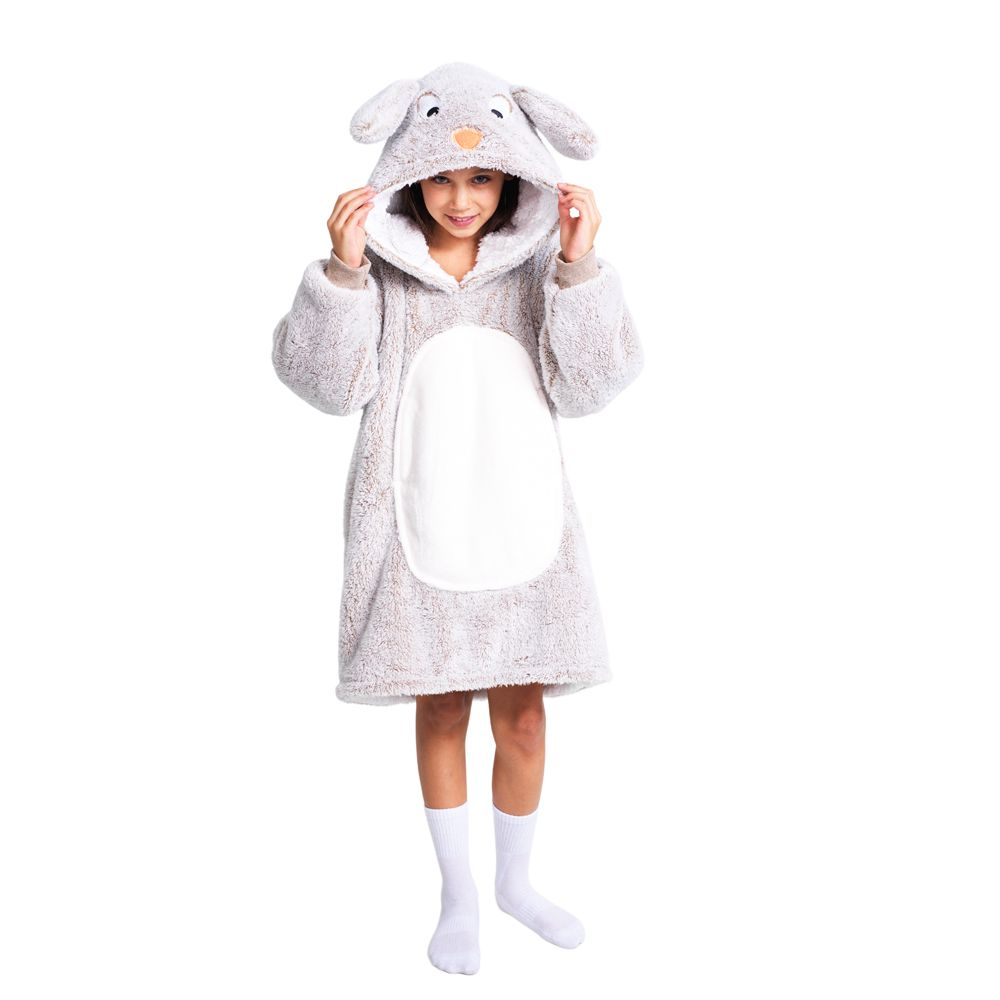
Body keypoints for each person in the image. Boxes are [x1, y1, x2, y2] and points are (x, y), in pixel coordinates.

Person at [271, 62, 645, 975]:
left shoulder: (535, 271)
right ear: (408, 174)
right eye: (440, 176)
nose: (461, 198)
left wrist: (579, 266)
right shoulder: (387, 275)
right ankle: (459, 894)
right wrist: (343, 273)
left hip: (524, 527)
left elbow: (591, 384)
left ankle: (517, 881)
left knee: (524, 718)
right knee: (439, 706)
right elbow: (329, 386)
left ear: (514, 176)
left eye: (482, 177)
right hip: (418, 523)